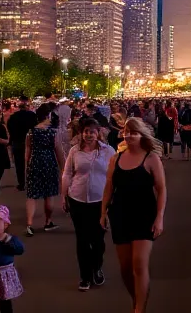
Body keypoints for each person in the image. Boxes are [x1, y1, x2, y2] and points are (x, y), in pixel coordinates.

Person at [101, 117, 166, 313]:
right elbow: (109, 187)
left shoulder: (151, 159)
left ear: (141, 135)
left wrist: (159, 217)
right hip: (120, 213)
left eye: (133, 132)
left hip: (144, 213)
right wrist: (103, 212)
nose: (128, 136)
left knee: (139, 263)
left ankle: (139, 308)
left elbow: (161, 189)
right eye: (126, 132)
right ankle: (137, 299)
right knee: (125, 268)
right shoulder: (116, 159)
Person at [61, 117, 114, 291]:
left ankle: (97, 267)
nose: (89, 135)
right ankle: (85, 276)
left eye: (92, 131)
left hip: (100, 201)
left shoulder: (108, 151)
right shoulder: (75, 151)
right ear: (81, 133)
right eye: (86, 132)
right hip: (77, 200)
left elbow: (115, 175)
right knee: (82, 240)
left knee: (98, 239)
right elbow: (67, 174)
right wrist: (64, 196)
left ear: (98, 133)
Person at [24, 103, 64, 236]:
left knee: (31, 195)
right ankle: (48, 221)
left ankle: (29, 224)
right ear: (48, 115)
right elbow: (58, 151)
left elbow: (28, 150)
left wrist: (27, 165)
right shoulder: (53, 132)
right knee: (49, 194)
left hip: (35, 162)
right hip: (49, 162)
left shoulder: (31, 132)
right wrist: (63, 168)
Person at [6, 99, 36, 192]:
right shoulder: (32, 116)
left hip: (17, 142)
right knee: (31, 164)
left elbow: (9, 128)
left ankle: (21, 184)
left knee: (19, 164)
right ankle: (31, 183)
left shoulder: (13, 117)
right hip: (31, 142)